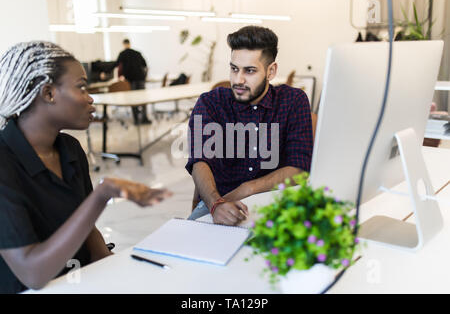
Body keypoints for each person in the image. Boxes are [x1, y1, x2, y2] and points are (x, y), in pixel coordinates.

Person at [0, 41, 171, 294]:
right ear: (48, 93)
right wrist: (102, 195)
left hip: (81, 280)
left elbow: (85, 227)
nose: (90, 98)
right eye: (81, 87)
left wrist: (116, 270)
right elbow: (33, 274)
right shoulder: (5, 164)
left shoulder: (68, 148)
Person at [185, 26, 313, 226]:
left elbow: (299, 169)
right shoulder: (211, 103)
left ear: (271, 71)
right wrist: (215, 204)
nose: (238, 80)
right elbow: (200, 161)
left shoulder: (293, 101)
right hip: (219, 203)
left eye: (250, 71)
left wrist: (248, 189)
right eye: (234, 68)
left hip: (275, 203)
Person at [115, 39, 151, 124]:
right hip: (140, 78)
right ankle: (144, 118)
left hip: (131, 80)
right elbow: (145, 65)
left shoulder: (122, 54)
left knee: (133, 100)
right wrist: (145, 76)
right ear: (129, 44)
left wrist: (105, 71)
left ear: (124, 44)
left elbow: (116, 64)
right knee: (143, 99)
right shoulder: (137, 53)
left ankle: (136, 119)